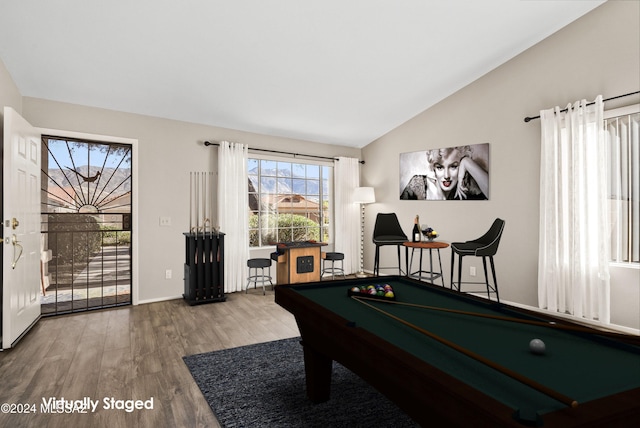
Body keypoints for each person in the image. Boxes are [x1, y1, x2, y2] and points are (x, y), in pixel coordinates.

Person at [400, 145, 488, 200]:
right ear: (433, 168)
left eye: (453, 167)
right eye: (440, 167)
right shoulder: (418, 184)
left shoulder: (465, 186)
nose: (446, 176)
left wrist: (467, 162)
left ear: (461, 167)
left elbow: (493, 195)